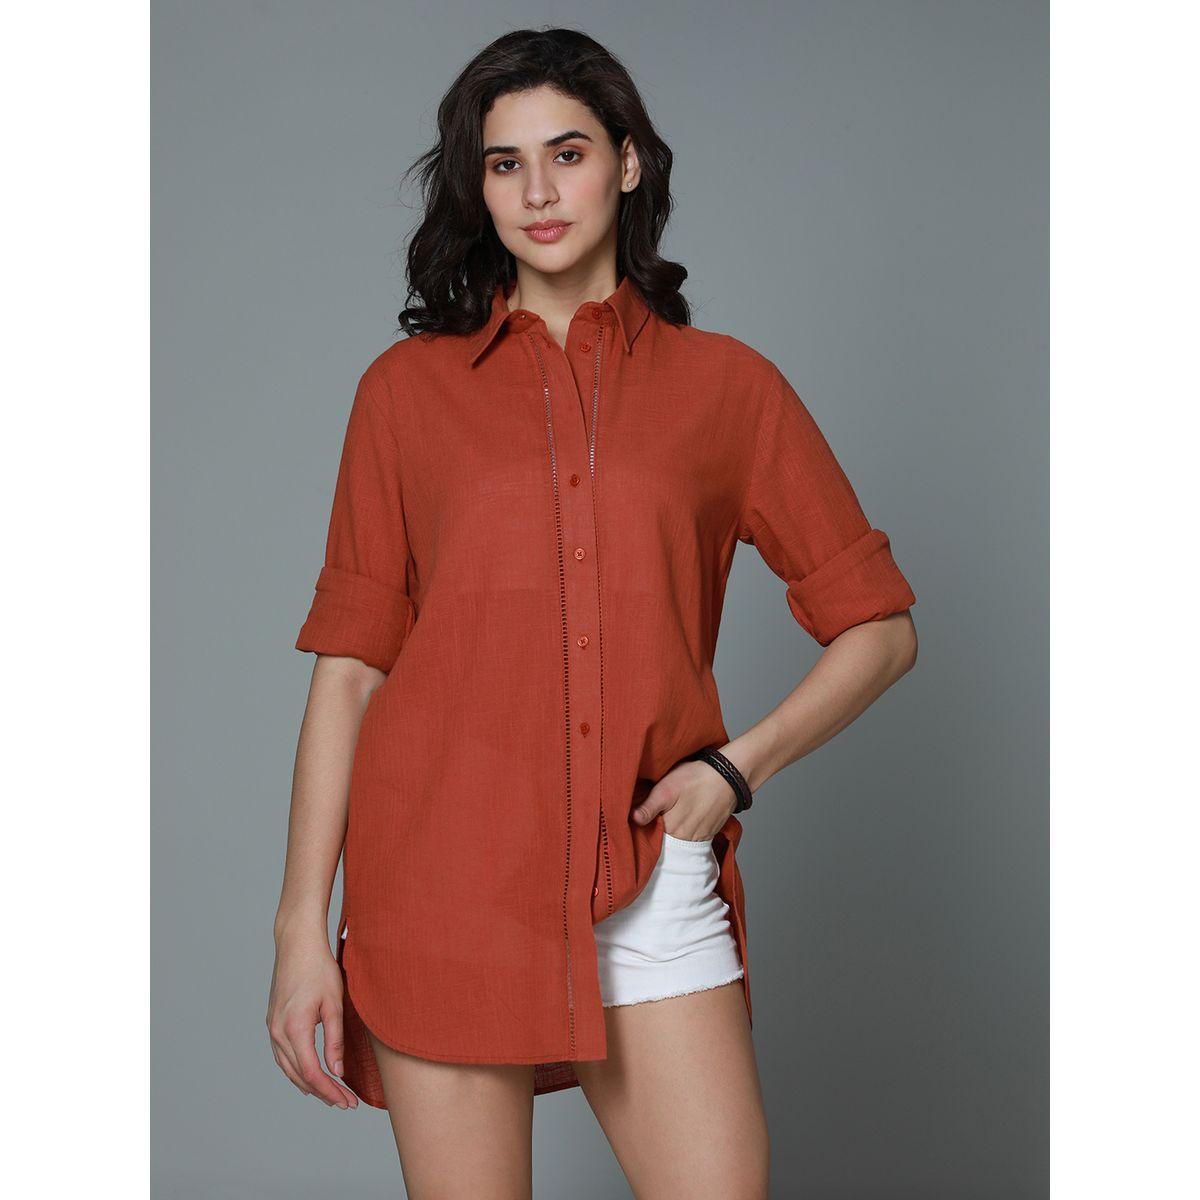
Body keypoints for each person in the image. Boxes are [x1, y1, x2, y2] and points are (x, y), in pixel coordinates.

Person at [267, 26, 918, 1200]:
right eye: (504, 164)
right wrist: (299, 931)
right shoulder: (404, 396)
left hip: (648, 879)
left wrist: (738, 766)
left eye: (565, 154)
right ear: (478, 187)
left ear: (626, 162)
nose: (537, 192)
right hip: (444, 887)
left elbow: (880, 629)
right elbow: (351, 671)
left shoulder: (729, 389)